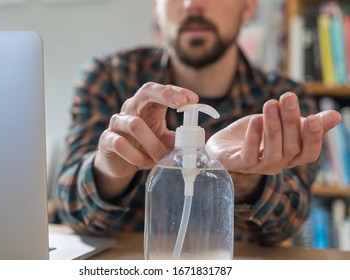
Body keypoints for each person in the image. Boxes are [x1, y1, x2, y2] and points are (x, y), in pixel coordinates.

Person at [56, 0, 341, 245]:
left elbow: (286, 224)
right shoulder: (109, 78)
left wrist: (245, 179)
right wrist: (110, 170)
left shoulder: (282, 100)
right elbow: (69, 211)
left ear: (248, 6)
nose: (192, 4)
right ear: (157, 7)